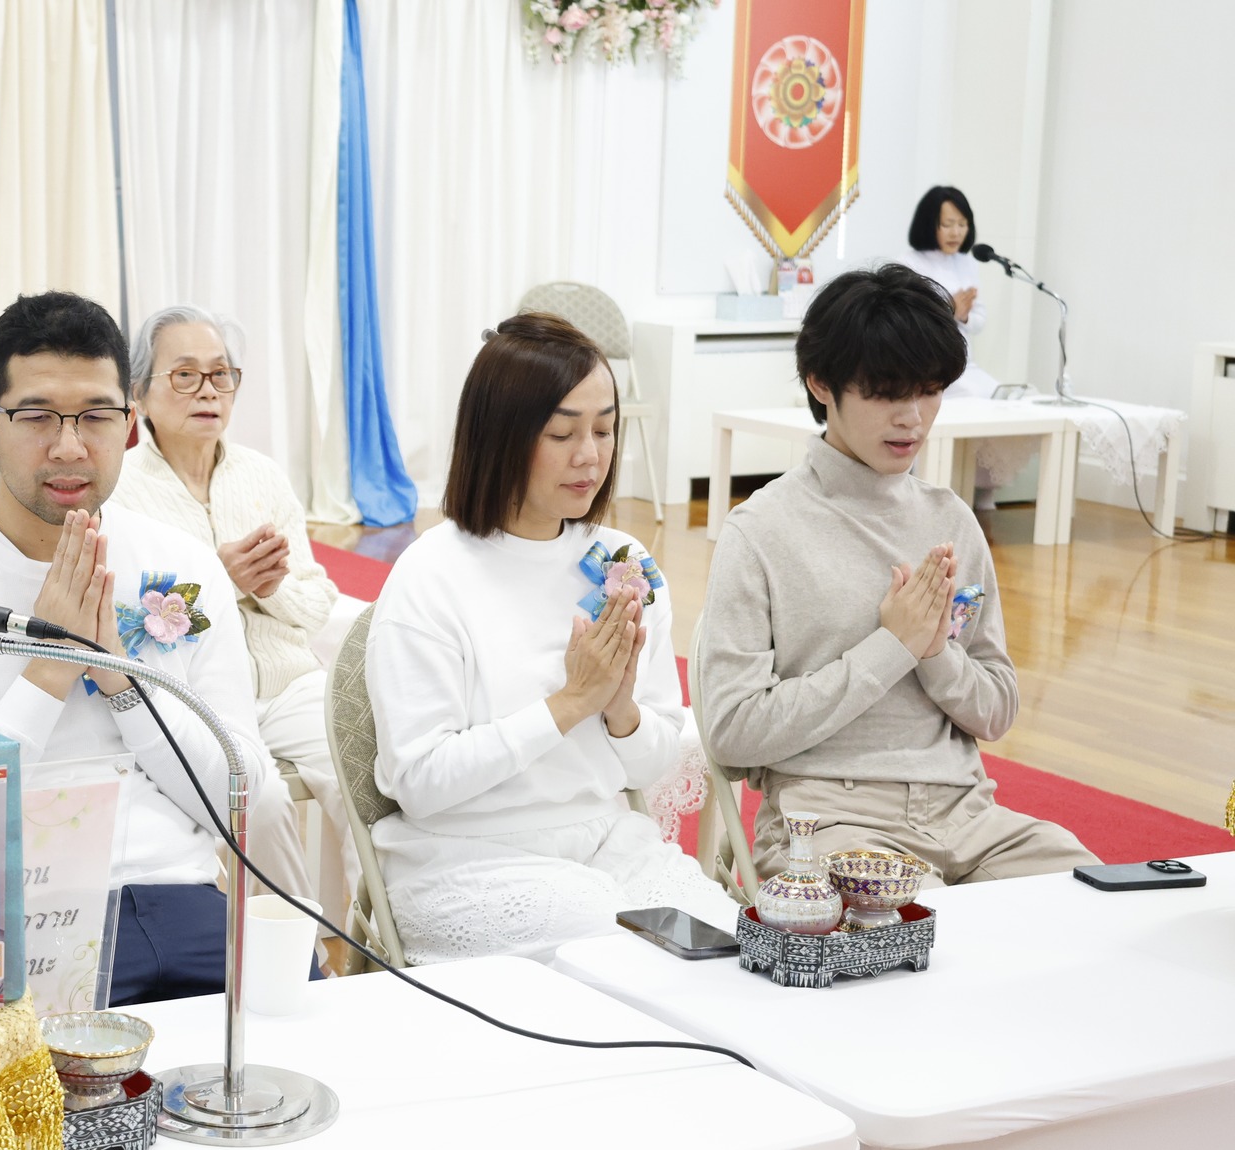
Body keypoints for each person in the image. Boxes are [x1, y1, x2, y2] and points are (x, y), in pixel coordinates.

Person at [0, 291, 310, 1006]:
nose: (70, 445)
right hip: (22, 915)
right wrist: (50, 669)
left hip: (185, 899)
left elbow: (244, 798)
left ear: (130, 426)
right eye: (38, 416)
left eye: (96, 417)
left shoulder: (185, 568)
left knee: (307, 1054)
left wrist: (122, 682)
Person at [700, 264, 1096, 885]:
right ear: (821, 383)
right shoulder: (761, 530)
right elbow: (731, 733)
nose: (913, 417)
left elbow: (995, 712)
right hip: (829, 821)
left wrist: (936, 653)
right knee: (921, 937)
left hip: (967, 817)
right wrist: (893, 648)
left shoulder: (951, 519)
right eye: (887, 392)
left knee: (1099, 902)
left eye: (930, 389)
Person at [363, 312, 738, 966]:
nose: (590, 455)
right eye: (563, 432)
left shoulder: (622, 562)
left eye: (604, 428)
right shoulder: (433, 573)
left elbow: (650, 765)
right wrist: (570, 704)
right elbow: (418, 780)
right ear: (501, 437)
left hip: (603, 842)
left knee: (723, 935)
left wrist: (619, 710)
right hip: (463, 857)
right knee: (614, 942)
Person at [107, 305, 358, 928]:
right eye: (186, 375)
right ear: (140, 394)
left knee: (366, 770)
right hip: (198, 692)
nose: (209, 392)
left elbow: (316, 600)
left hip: (287, 681)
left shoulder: (263, 476)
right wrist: (217, 580)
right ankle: (299, 947)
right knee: (262, 800)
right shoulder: (121, 488)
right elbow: (127, 622)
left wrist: (265, 588)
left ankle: (379, 935)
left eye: (222, 375)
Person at [894, 185, 997, 403]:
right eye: (947, 225)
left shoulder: (966, 262)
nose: (956, 233)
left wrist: (964, 316)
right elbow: (907, 322)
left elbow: (979, 319)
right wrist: (949, 310)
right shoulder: (910, 262)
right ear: (929, 225)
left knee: (1000, 395)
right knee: (976, 398)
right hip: (929, 367)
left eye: (962, 224)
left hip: (966, 364)